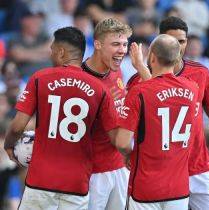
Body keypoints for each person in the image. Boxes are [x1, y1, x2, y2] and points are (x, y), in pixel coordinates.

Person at [3, 26, 118, 209]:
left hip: (41, 180)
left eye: (52, 50)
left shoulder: (40, 78)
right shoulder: (99, 88)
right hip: (77, 182)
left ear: (61, 52)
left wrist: (9, 145)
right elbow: (115, 138)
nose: (50, 54)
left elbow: (18, 126)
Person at [128, 16, 209, 210]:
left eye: (181, 41)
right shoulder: (136, 82)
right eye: (172, 40)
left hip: (197, 166)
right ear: (159, 42)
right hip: (159, 173)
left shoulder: (201, 73)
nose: (178, 46)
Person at [115, 34, 198, 210]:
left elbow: (122, 142)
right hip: (179, 188)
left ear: (151, 57)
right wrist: (140, 66)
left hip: (146, 187)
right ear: (177, 59)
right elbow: (161, 90)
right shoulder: (192, 88)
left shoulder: (138, 92)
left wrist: (129, 154)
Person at [82, 18, 132, 210]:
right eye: (115, 44)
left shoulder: (117, 71)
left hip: (120, 166)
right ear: (97, 44)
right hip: (93, 173)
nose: (121, 50)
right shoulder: (81, 79)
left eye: (124, 44)